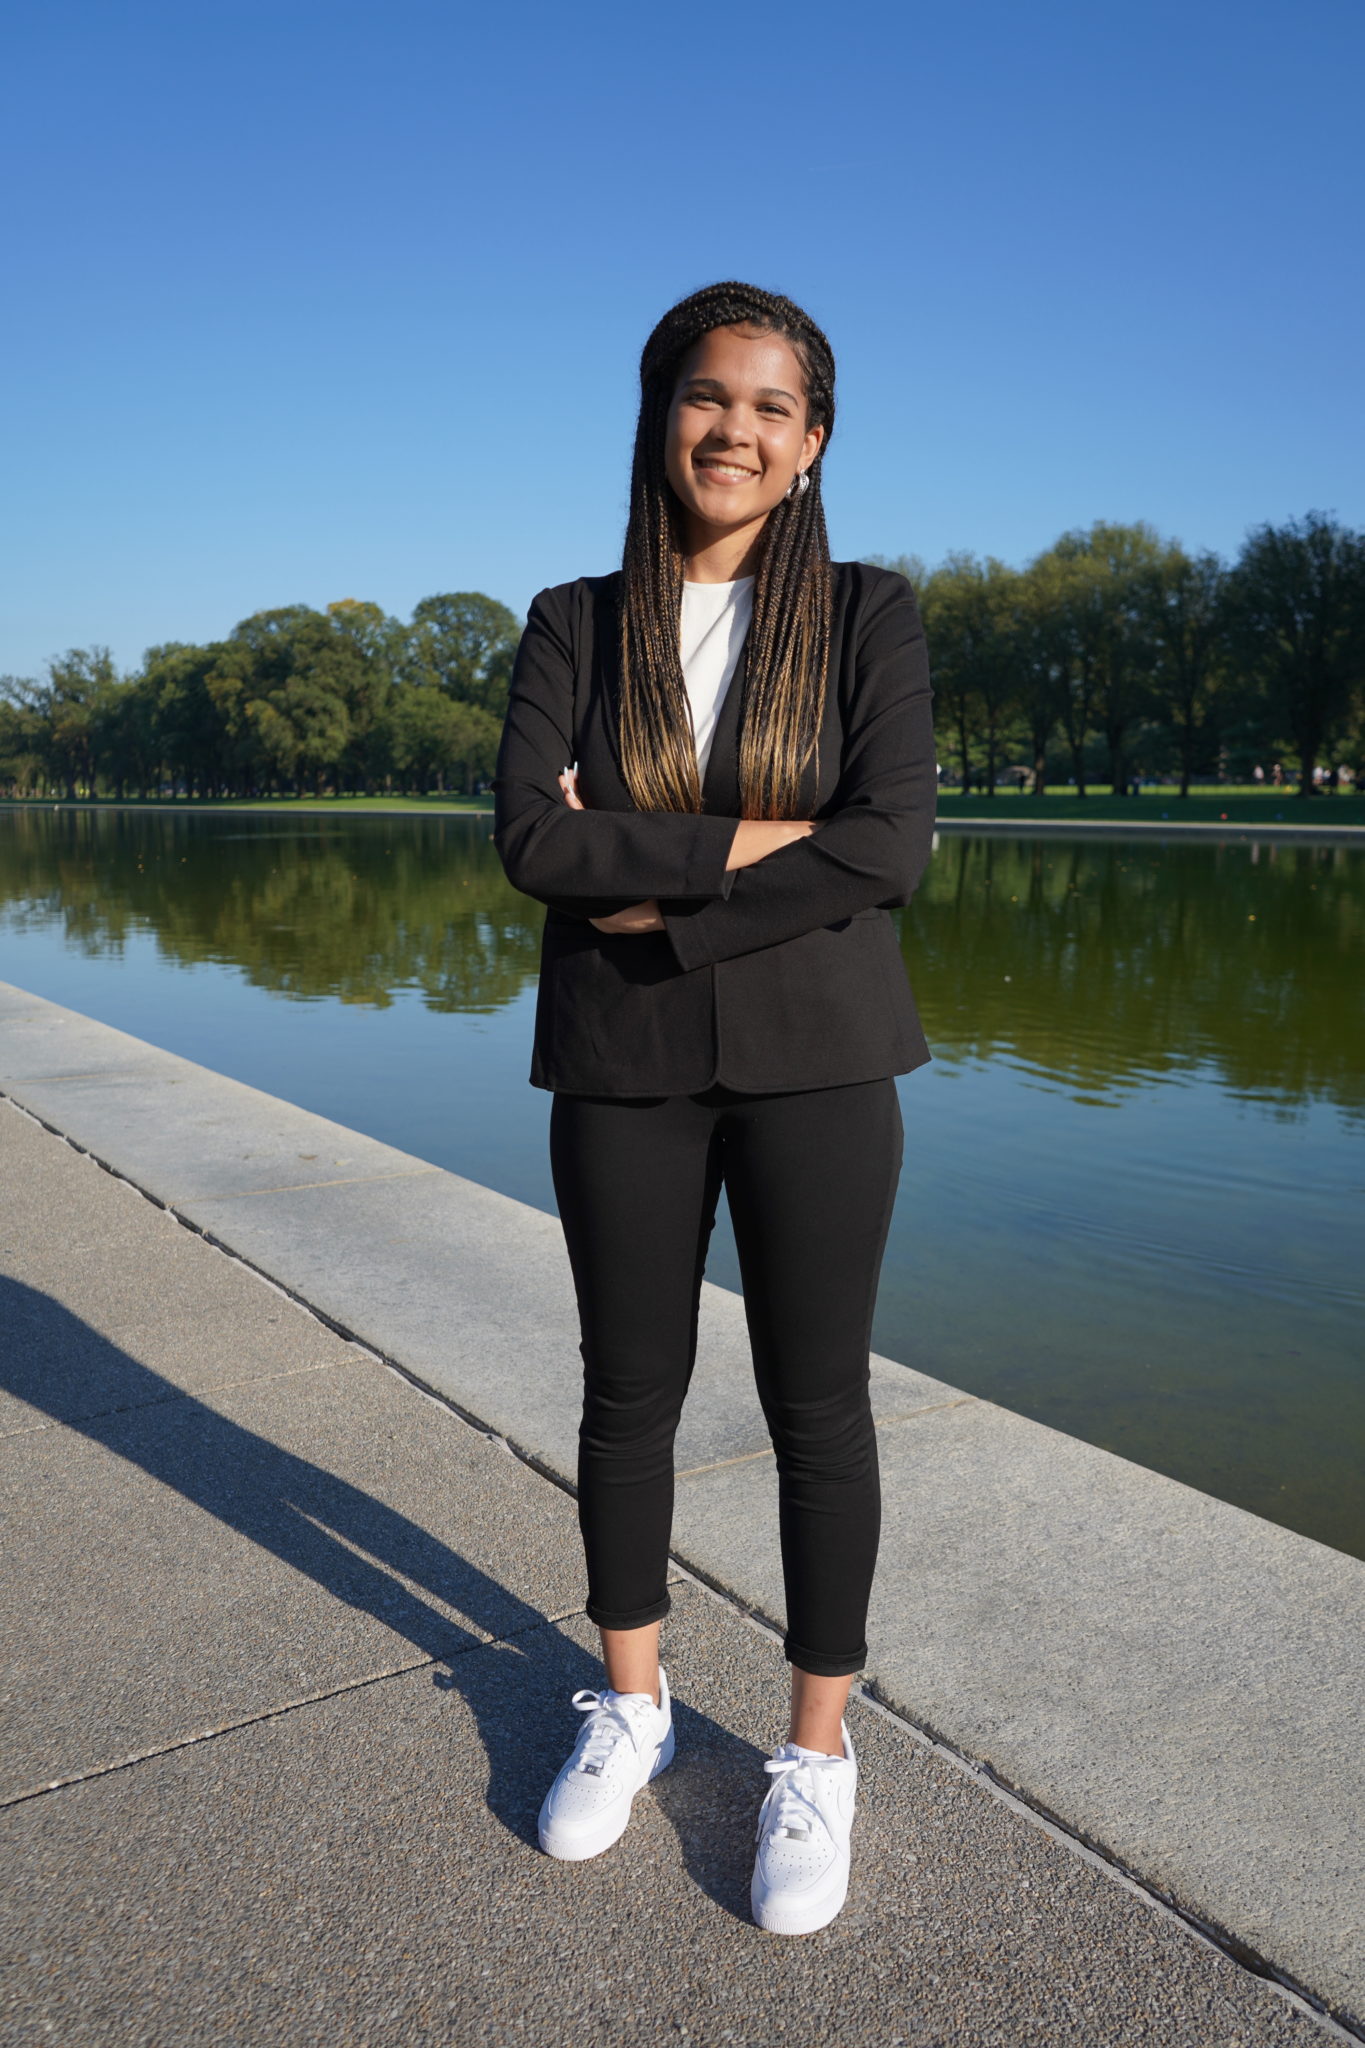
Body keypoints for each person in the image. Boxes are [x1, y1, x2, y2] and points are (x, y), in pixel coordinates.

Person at [493, 280, 936, 1935]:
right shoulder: (570, 621)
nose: (733, 430)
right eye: (706, 396)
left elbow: (889, 844)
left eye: (770, 407)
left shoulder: (873, 616)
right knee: (628, 1394)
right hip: (620, 1061)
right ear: (658, 413)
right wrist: (764, 842)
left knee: (819, 1412)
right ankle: (635, 1702)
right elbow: (533, 849)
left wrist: (661, 882)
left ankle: (815, 1756)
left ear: (811, 444)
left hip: (822, 1060)